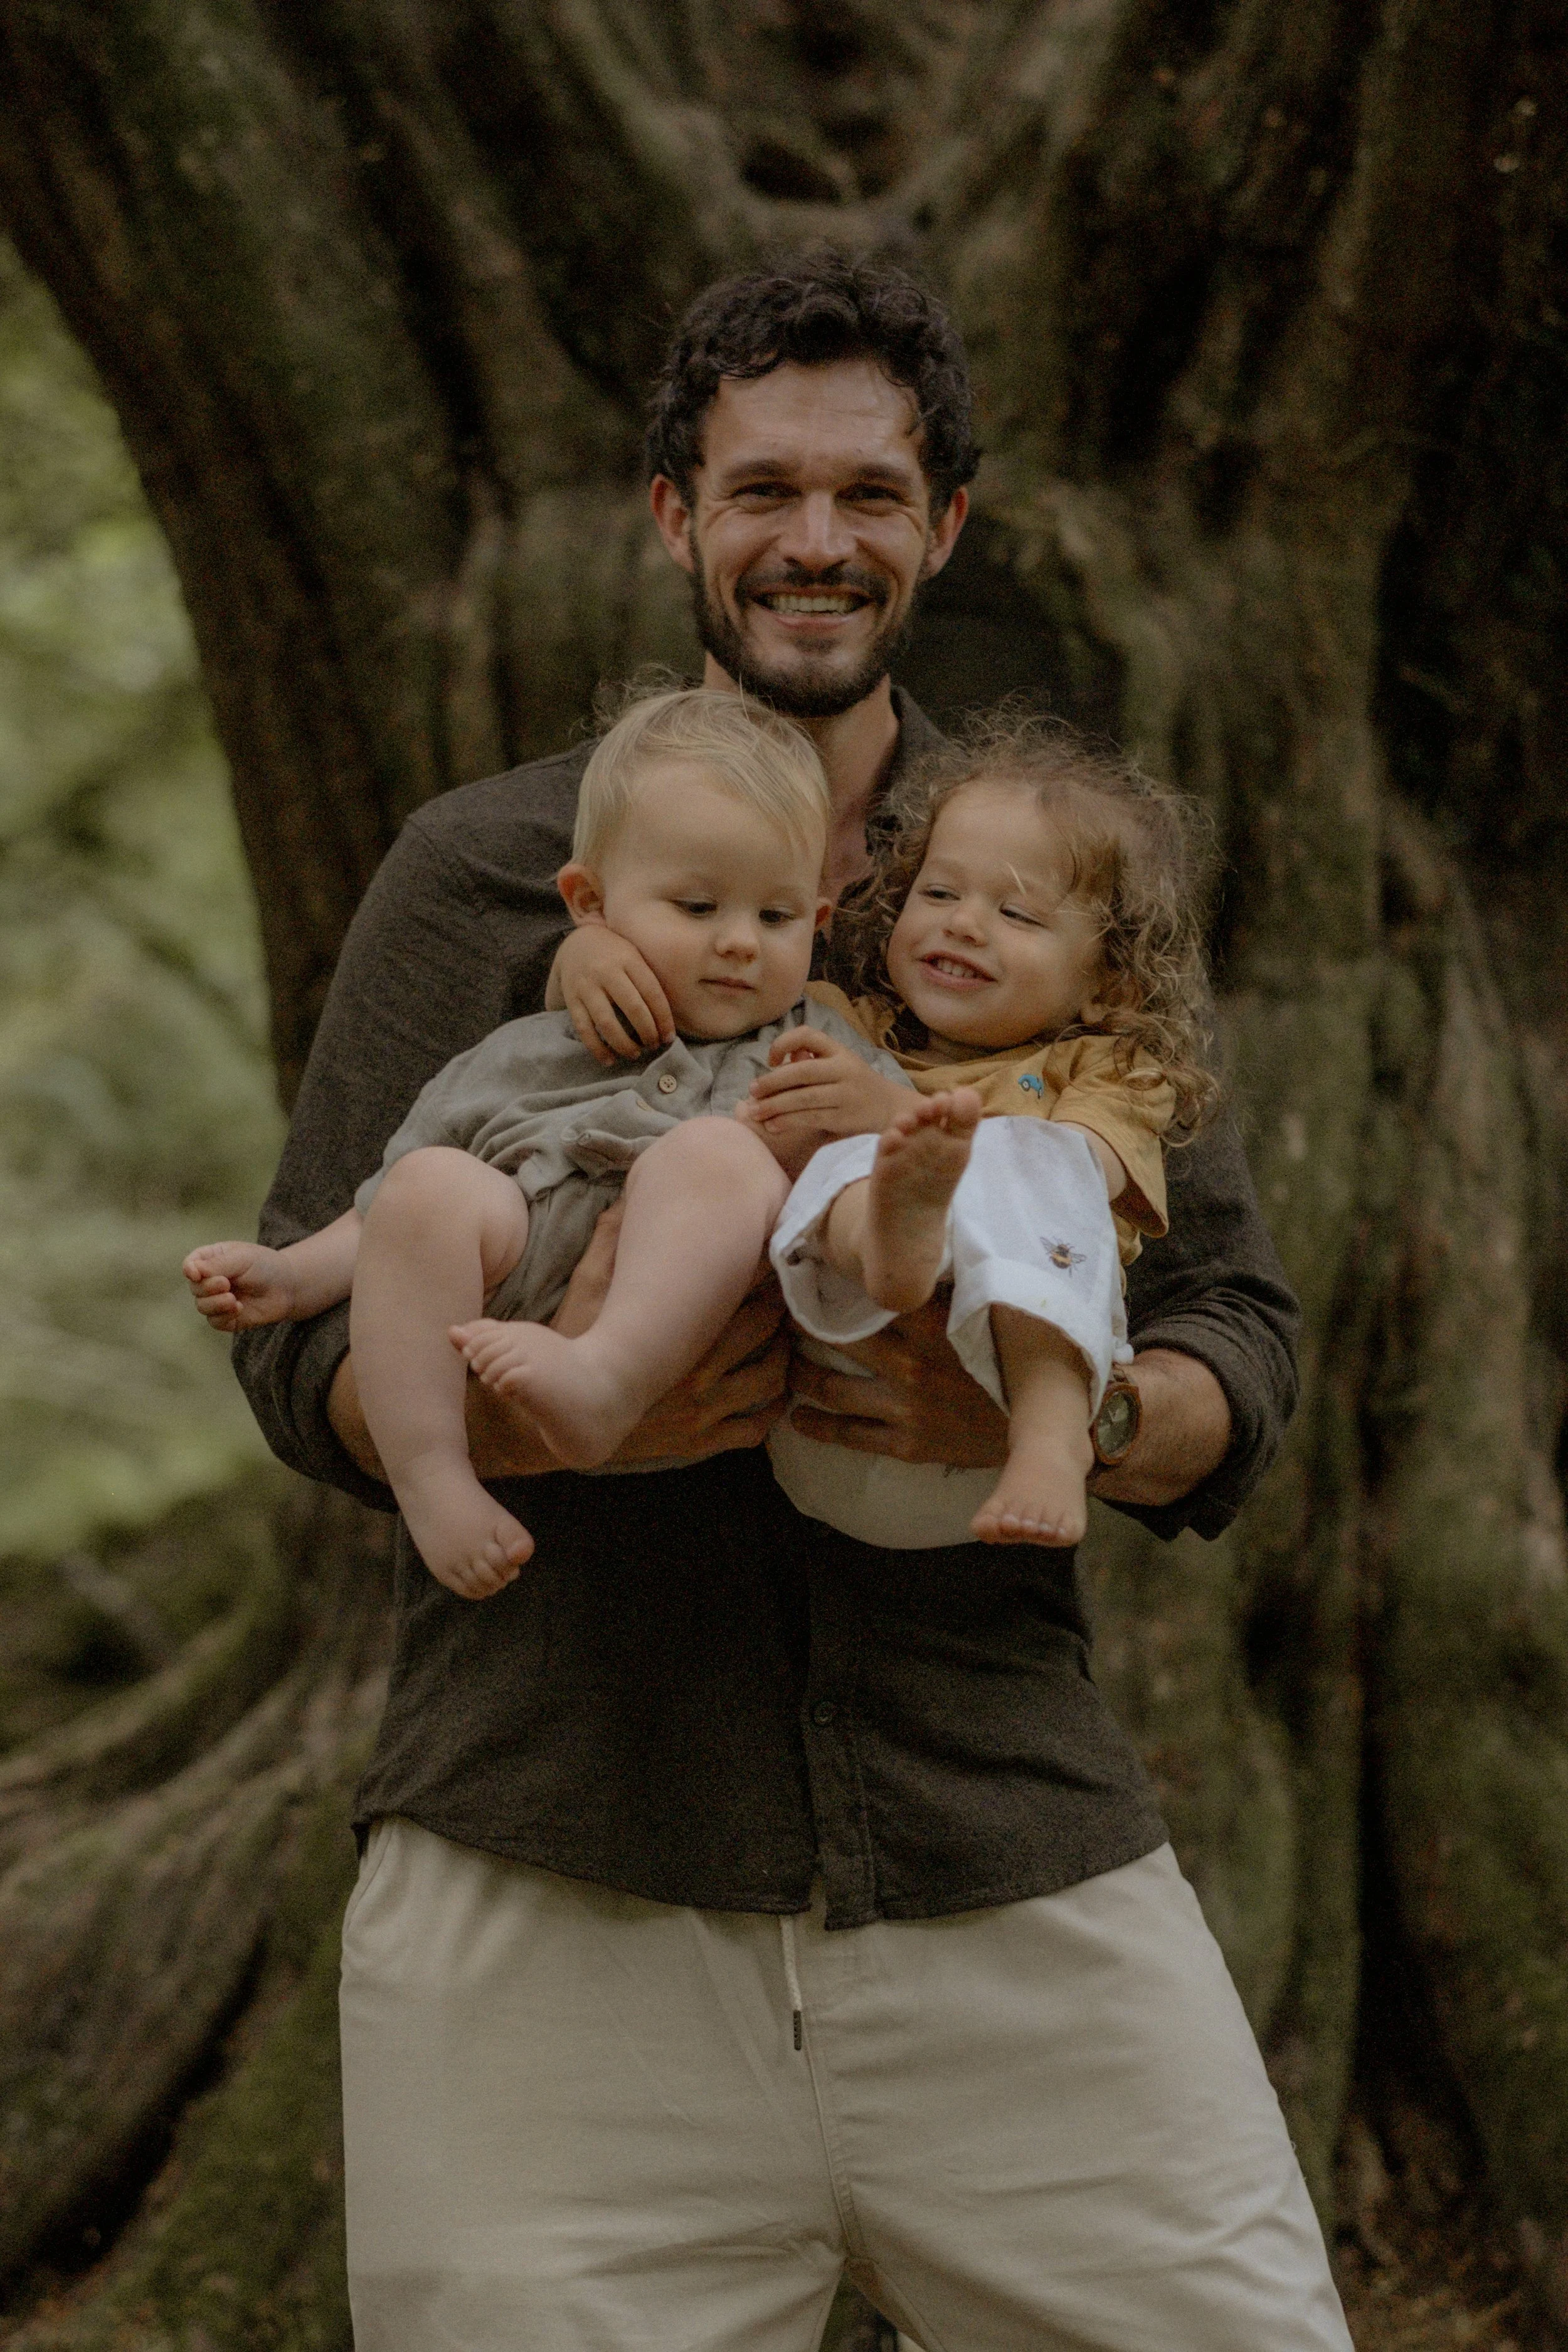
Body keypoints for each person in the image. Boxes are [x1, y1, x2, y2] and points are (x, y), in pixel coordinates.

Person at [233, 252, 1351, 2348]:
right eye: (759, 490)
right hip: (555, 1862)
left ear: (945, 529)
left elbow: (1240, 1341)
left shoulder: (1044, 881)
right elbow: (300, 1350)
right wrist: (549, 1409)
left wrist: (1061, 1416)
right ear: (676, 517)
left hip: (999, 1846)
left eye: (867, 493)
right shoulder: (483, 877)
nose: (813, 540)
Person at [186, 686, 910, 1593]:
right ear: (588, 903)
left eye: (774, 918)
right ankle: (436, 1475)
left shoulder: (814, 1048)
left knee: (720, 1154)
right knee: (432, 1183)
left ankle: (602, 1376)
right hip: (511, 1301)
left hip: (681, 1334)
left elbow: (934, 1161)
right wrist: (292, 1278)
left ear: (819, 921)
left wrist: (880, 1114)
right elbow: (384, 1210)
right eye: (695, 907)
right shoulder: (527, 1051)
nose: (737, 943)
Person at [556, 713, 1217, 1552]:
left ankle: (1051, 1440)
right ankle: (890, 1234)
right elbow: (701, 1046)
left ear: (1112, 984)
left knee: (1042, 1203)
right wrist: (583, 957)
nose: (964, 924)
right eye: (938, 894)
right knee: (800, 1157)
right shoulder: (843, 1025)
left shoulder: (1111, 1068)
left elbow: (1079, 1172)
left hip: (982, 1435)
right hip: (817, 1402)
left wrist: (893, 1117)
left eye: (1016, 912)